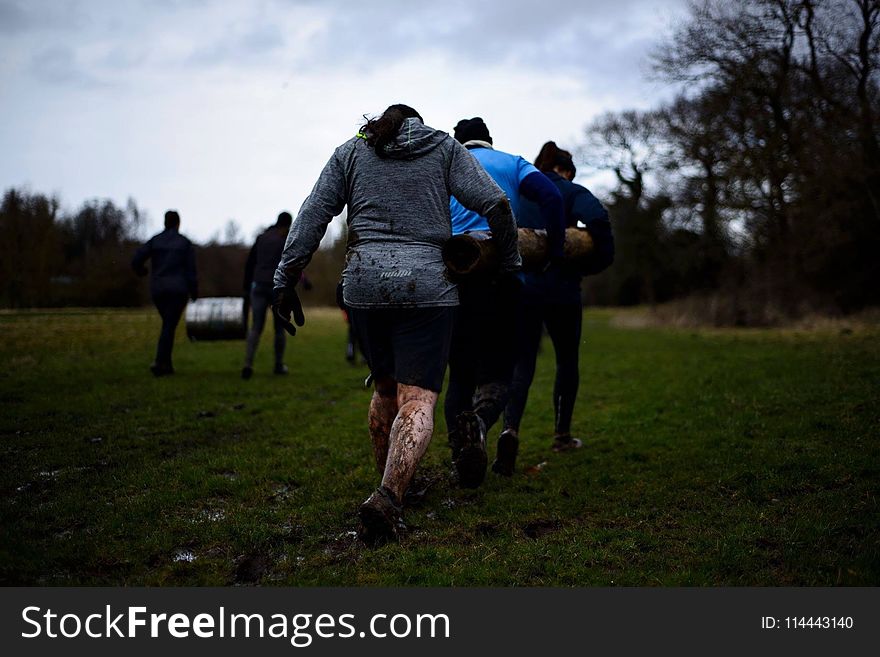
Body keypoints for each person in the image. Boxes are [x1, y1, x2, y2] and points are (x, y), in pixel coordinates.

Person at [272, 104, 519, 543]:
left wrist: (284, 278)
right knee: (418, 398)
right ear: (417, 125)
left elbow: (313, 214)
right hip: (427, 287)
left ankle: (391, 484)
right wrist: (509, 261)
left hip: (364, 287)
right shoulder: (442, 147)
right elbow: (496, 204)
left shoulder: (351, 153)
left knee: (385, 388)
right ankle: (389, 494)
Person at [446, 118, 565, 486]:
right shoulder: (512, 163)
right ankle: (480, 425)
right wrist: (554, 254)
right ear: (490, 141)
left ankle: (462, 458)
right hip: (501, 278)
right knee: (499, 375)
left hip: (454, 279)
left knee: (460, 376)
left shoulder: (445, 165)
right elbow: (553, 197)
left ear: (457, 143)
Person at [501, 142, 614, 471]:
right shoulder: (569, 190)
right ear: (564, 170)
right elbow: (598, 218)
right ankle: (562, 436)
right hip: (563, 290)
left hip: (523, 289)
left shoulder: (518, 193)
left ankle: (510, 429)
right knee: (567, 361)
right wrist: (596, 263)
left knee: (522, 364)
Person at [131, 210, 198, 377]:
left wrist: (142, 271)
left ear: (164, 222)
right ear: (178, 223)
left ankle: (165, 364)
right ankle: (160, 362)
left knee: (168, 324)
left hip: (158, 289)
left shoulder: (155, 241)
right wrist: (194, 291)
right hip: (178, 290)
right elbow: (191, 270)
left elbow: (137, 259)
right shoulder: (184, 243)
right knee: (169, 325)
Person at [242, 211, 296, 379]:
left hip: (257, 286)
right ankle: (278, 365)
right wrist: (304, 280)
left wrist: (246, 287)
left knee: (256, 327)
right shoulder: (284, 240)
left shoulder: (261, 238)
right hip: (276, 288)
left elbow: (250, 263)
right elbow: (290, 264)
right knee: (279, 327)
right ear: (287, 225)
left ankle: (248, 364)